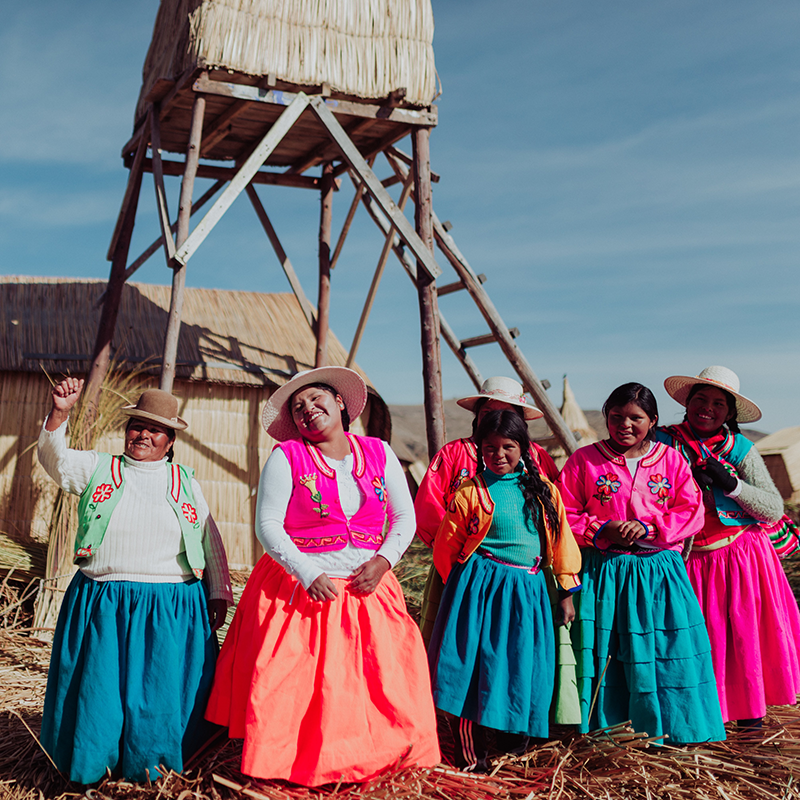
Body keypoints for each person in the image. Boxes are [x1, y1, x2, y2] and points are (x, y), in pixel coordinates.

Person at [205, 367, 439, 786]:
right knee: (301, 685)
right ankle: (298, 763)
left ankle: (378, 759)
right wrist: (308, 572)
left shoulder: (380, 453)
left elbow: (404, 516)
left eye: (316, 401)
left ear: (341, 405)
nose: (308, 411)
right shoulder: (288, 457)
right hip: (303, 589)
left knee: (378, 680)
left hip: (369, 587)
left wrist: (384, 561)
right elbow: (269, 525)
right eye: (298, 409)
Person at [38, 378, 233, 784]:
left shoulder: (186, 482)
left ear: (169, 439)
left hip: (170, 605)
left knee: (158, 693)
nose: (143, 434)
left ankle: (154, 770)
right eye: (136, 426)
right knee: (100, 691)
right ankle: (94, 766)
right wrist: (60, 412)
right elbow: (53, 459)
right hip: (104, 600)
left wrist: (217, 590)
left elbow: (207, 537)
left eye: (154, 429)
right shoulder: (98, 468)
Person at [558, 383, 725, 744]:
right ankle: (610, 733)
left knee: (666, 650)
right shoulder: (583, 461)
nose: (625, 425)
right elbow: (564, 513)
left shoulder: (671, 461)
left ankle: (674, 729)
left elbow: (690, 512)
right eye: (616, 417)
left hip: (658, 575)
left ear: (653, 420)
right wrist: (603, 528)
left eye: (636, 418)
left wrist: (650, 526)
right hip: (606, 572)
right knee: (609, 653)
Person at [428, 408, 581, 772]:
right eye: (489, 448)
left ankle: (515, 749)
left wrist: (566, 591)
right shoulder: (469, 491)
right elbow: (446, 548)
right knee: (475, 667)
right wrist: (465, 591)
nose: (498, 455)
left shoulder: (544, 491)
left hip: (527, 593)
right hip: (480, 592)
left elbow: (562, 544)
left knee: (522, 665)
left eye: (507, 447)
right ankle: (472, 755)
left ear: (523, 447)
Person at [657, 365, 800, 727]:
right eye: (700, 399)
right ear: (687, 403)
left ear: (730, 413)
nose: (707, 408)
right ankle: (698, 719)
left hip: (739, 557)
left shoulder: (741, 450)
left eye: (718, 403)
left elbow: (772, 507)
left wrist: (732, 484)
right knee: (696, 640)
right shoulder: (662, 443)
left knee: (742, 638)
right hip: (688, 560)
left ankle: (749, 720)